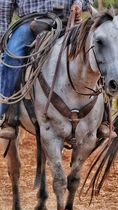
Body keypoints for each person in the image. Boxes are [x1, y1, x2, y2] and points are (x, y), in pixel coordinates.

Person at [0, 0, 94, 139]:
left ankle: (102, 118)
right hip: (31, 22)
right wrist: (2, 37)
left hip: (69, 21)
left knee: (97, 50)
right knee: (12, 58)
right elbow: (4, 5)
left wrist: (78, 4)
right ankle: (5, 114)